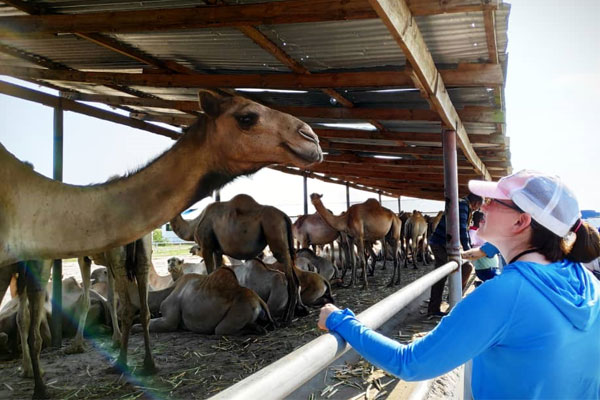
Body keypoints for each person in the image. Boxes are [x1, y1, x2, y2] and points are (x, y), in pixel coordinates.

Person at [318, 170, 600, 399]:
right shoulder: (586, 283)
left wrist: (341, 322)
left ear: (521, 221)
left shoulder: (504, 294)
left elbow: (410, 364)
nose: (483, 205)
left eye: (494, 201)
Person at [427, 192, 482, 316]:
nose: (476, 210)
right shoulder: (463, 205)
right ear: (476, 203)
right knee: (442, 274)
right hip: (440, 243)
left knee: (465, 268)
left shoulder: (463, 204)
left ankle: (452, 298)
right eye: (478, 207)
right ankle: (438, 306)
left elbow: (464, 229)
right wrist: (468, 251)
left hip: (444, 243)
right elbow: (462, 228)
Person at [463, 211, 500, 284]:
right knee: (498, 284)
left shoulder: (480, 231)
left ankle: (479, 284)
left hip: (492, 268)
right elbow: (469, 247)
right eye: (484, 219)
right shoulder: (472, 232)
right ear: (481, 220)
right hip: (486, 269)